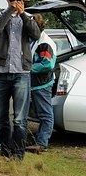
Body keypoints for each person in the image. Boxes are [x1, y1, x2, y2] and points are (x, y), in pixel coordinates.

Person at [0, 0, 41, 161]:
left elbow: (36, 34)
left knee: (20, 119)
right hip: (1, 72)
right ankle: (5, 152)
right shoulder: (0, 15)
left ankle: (18, 155)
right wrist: (10, 10)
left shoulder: (28, 17)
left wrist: (22, 13)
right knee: (1, 118)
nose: (18, 2)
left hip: (21, 72)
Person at [27, 14, 56, 152]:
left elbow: (47, 64)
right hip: (35, 83)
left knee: (45, 114)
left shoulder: (45, 43)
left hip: (41, 84)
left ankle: (42, 143)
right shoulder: (36, 40)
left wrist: (27, 68)